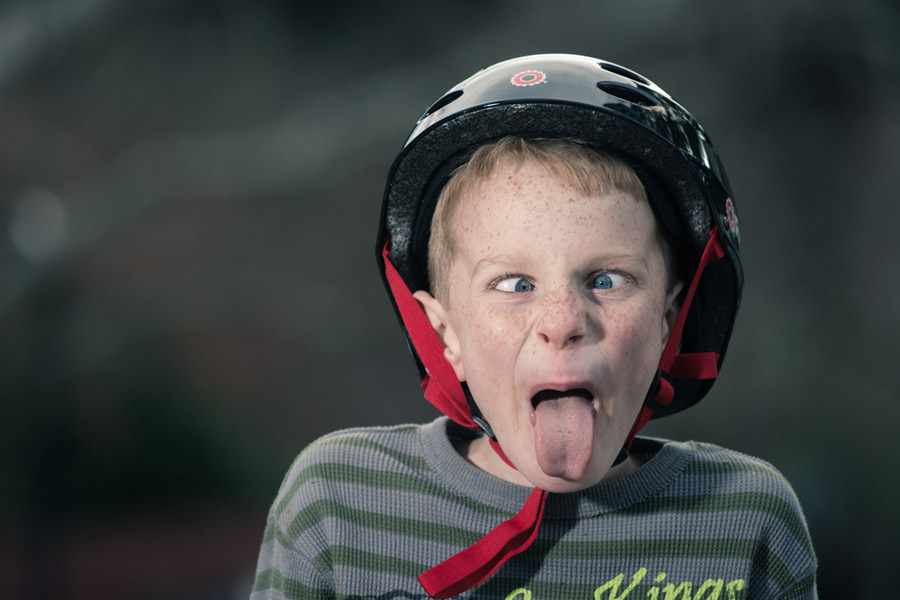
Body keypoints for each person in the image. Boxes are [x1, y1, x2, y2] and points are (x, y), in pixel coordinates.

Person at [250, 54, 817, 600]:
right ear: (444, 334)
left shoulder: (744, 517)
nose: (563, 322)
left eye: (607, 279)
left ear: (668, 321)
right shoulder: (341, 502)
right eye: (515, 284)